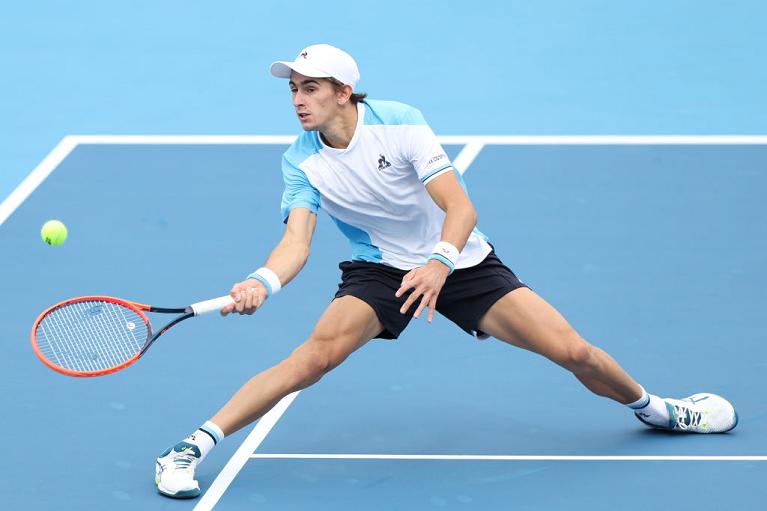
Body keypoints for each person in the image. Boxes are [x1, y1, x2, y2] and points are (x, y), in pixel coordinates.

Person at [154, 44, 738, 499]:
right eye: (293, 90)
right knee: (312, 358)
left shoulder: (400, 122)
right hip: (380, 268)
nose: (297, 100)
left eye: (310, 88)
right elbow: (295, 244)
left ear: (344, 92)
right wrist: (263, 280)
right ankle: (189, 448)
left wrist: (438, 263)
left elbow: (460, 209)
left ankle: (659, 409)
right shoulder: (301, 160)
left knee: (573, 352)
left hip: (458, 259)